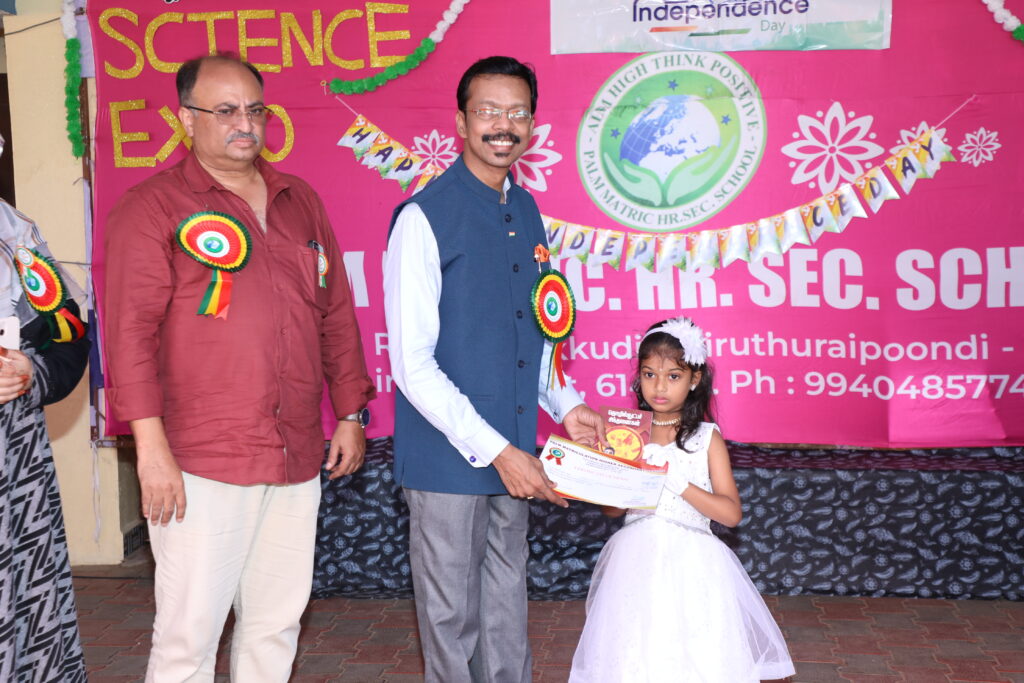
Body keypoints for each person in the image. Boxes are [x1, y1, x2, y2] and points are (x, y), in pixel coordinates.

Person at [102, 55, 375, 682]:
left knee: (276, 625)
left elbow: (335, 312)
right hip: (200, 459)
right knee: (188, 637)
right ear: (185, 118)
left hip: (294, 452)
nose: (244, 124)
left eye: (255, 110)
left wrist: (351, 413)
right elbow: (130, 336)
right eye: (225, 111)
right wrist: (151, 452)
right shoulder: (152, 207)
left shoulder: (299, 200)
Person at [383, 56, 605, 683]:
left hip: (516, 450)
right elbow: (412, 366)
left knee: (506, 608)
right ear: (461, 122)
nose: (503, 125)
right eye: (487, 111)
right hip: (449, 457)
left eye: (517, 113)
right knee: (451, 620)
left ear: (532, 124)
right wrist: (499, 451)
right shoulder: (423, 217)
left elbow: (530, 332)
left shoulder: (527, 210)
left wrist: (566, 404)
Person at [569, 316, 795, 683]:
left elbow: (731, 514)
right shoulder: (627, 433)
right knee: (637, 651)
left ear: (694, 379)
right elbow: (612, 510)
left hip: (695, 564)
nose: (659, 387)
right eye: (649, 374)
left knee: (696, 652)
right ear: (638, 377)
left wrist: (678, 484)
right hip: (635, 560)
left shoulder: (707, 438)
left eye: (673, 376)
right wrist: (617, 473)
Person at [0, 160, 89, 682]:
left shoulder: (16, 233)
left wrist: (32, 372)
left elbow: (69, 335)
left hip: (16, 462)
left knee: (25, 606)